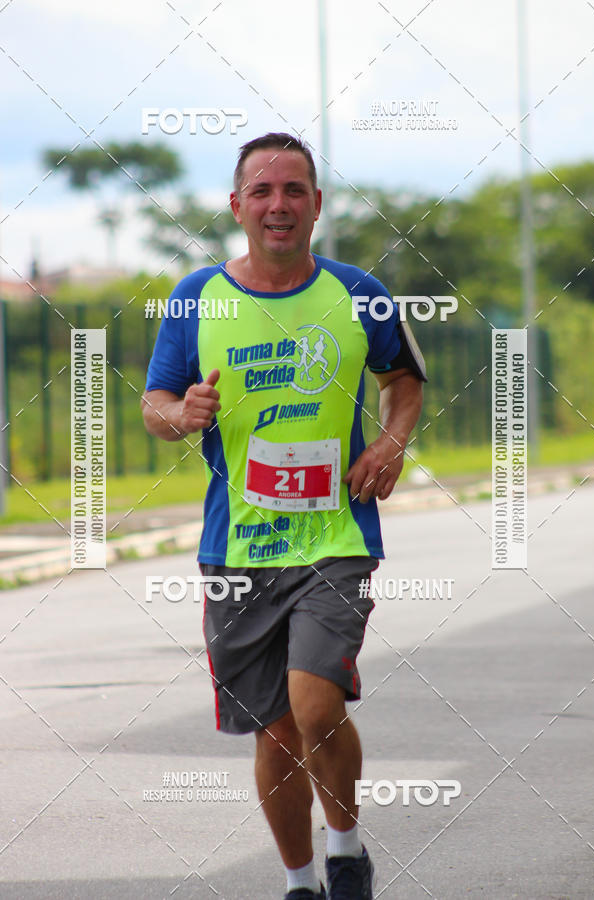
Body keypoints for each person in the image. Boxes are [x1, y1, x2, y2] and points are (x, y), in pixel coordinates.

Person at [142, 133, 426, 900]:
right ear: (237, 207)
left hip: (335, 535)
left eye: (294, 190)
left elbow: (404, 381)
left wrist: (392, 444)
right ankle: (301, 881)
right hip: (237, 549)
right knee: (273, 733)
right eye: (262, 192)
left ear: (316, 205)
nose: (279, 205)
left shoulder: (359, 292)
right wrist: (183, 413)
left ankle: (345, 854)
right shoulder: (195, 299)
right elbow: (155, 406)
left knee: (314, 701)